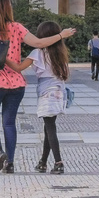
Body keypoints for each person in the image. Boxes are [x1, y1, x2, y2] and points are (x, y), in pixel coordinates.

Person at [0, 0, 75, 174]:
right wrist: (61, 35)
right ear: (8, 7)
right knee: (9, 123)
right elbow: (39, 43)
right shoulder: (18, 28)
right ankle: (10, 163)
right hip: (15, 84)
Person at [31, 21, 71, 174]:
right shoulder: (60, 53)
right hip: (59, 92)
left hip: (46, 93)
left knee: (50, 127)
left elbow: (20, 67)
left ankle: (58, 162)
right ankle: (42, 162)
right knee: (48, 126)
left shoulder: (38, 53)